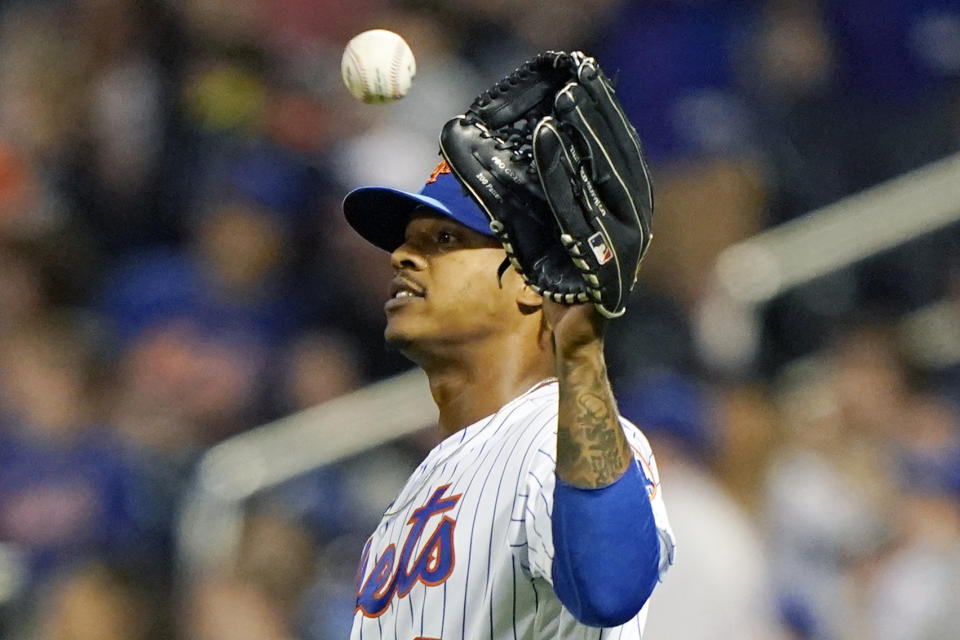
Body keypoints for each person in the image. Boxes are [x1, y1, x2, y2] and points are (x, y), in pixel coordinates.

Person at [340, 94, 675, 635]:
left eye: (445, 238)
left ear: (529, 281)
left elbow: (611, 590)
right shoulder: (408, 503)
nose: (402, 256)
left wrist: (581, 350)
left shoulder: (556, 435)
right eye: (406, 243)